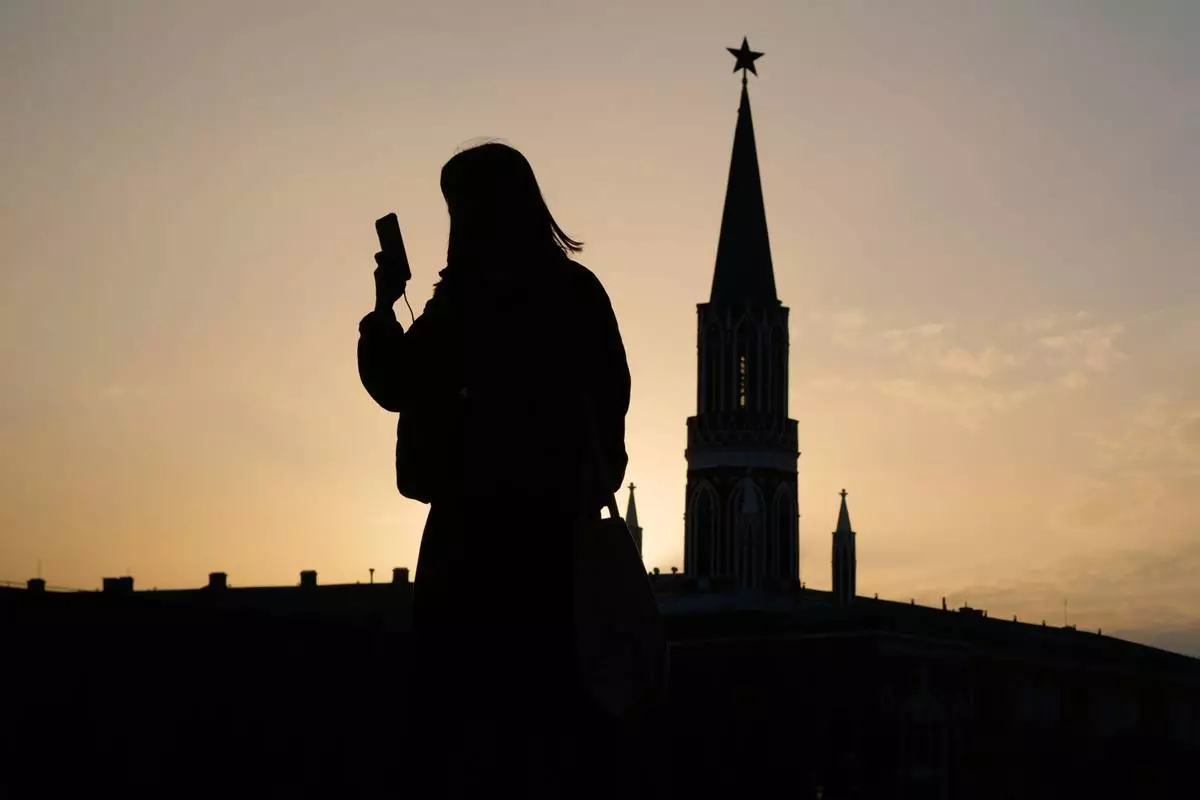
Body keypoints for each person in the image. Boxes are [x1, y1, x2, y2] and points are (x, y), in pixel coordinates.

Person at [357, 141, 632, 798]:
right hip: (557, 549)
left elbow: (395, 380)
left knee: (467, 732)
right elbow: (611, 416)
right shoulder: (577, 293)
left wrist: (383, 309)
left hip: (470, 550)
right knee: (551, 733)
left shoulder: (466, 302)